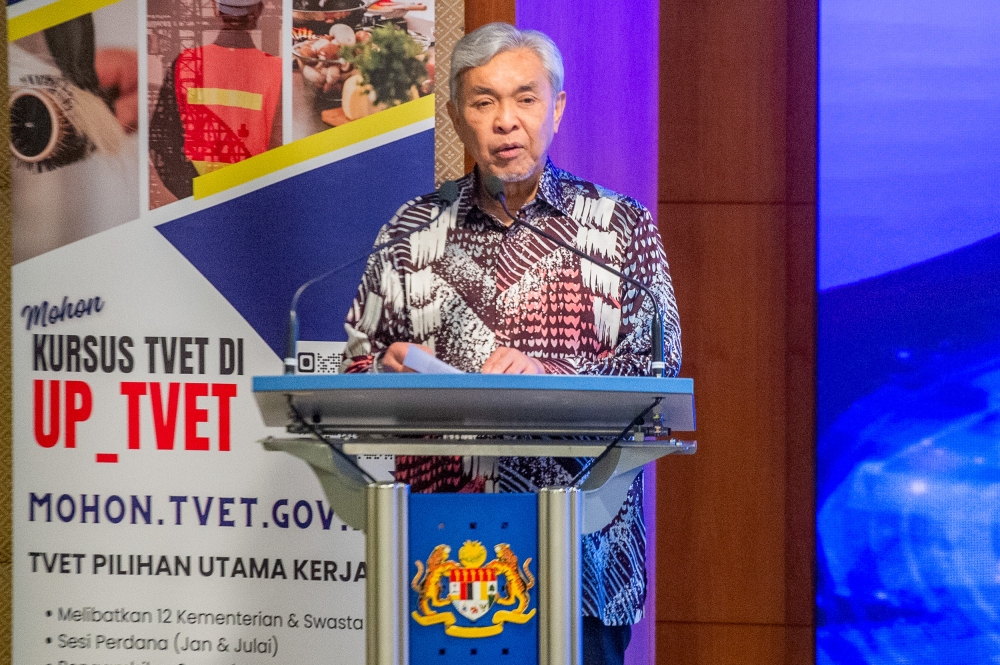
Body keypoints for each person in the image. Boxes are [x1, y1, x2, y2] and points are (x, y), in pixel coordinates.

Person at [342, 22, 681, 665]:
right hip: (441, 562)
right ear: (456, 117)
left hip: (584, 560)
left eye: (525, 98)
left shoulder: (620, 226)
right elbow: (353, 366)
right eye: (483, 101)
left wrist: (548, 374)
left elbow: (657, 375)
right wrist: (383, 366)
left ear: (557, 108)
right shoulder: (411, 230)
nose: (506, 121)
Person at [149, 0, 281, 201]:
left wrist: (194, 192)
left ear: (215, 8)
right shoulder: (277, 70)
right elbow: (281, 147)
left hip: (201, 197)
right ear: (259, 11)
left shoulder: (185, 63)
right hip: (253, 196)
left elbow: (161, 139)